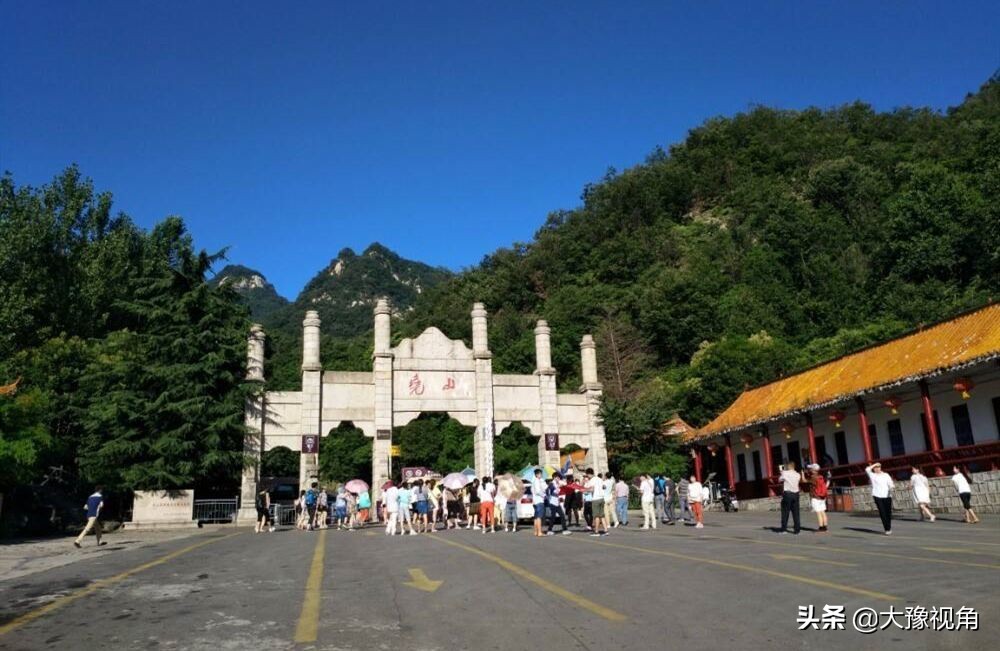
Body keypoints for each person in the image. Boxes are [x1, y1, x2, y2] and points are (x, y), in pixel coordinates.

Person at [865, 462, 893, 535]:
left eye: (879, 467)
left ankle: (889, 527)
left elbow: (890, 483)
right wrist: (874, 464)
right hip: (877, 495)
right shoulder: (873, 475)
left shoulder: (886, 475)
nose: (877, 469)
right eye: (876, 468)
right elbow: (867, 469)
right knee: (882, 512)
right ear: (874, 469)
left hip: (887, 495)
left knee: (888, 513)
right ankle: (887, 529)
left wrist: (891, 487)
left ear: (881, 468)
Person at [778, 462, 801, 535]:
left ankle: (784, 529)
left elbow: (779, 480)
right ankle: (797, 530)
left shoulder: (785, 473)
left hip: (788, 494)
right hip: (796, 494)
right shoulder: (798, 474)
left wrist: (782, 472)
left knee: (785, 512)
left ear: (788, 467)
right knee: (796, 512)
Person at [585, 468, 609, 536]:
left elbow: (592, 489)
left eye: (587, 475)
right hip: (602, 498)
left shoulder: (592, 480)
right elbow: (604, 487)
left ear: (588, 474)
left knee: (596, 516)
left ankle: (596, 531)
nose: (587, 476)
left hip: (596, 499)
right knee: (602, 516)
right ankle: (606, 530)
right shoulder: (599, 479)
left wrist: (585, 491)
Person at [806, 463, 829, 532]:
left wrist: (803, 475)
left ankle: (821, 527)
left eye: (811, 469)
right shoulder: (820, 476)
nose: (809, 470)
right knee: (823, 512)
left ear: (813, 470)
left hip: (816, 497)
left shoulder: (813, 477)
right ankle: (825, 527)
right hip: (822, 496)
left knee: (818, 512)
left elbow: (805, 481)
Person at [531, 469, 546, 537]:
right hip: (539, 500)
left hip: (535, 501)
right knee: (539, 517)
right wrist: (544, 495)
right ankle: (539, 532)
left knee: (536, 517)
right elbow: (538, 491)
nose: (541, 475)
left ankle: (535, 531)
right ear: (537, 474)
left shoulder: (534, 481)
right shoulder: (537, 481)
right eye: (540, 474)